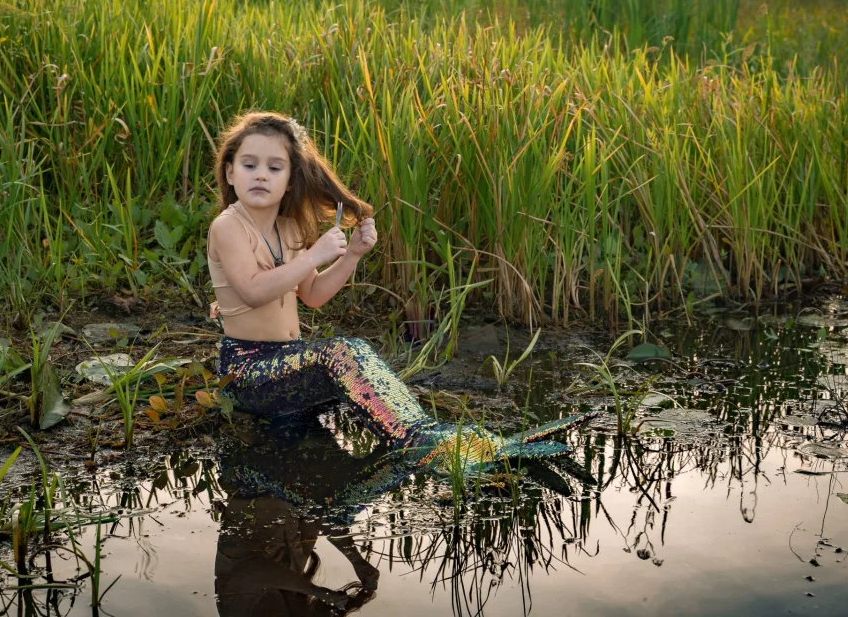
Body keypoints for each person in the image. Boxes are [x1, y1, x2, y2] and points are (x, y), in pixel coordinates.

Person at [206, 110, 585, 472]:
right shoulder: (229, 227)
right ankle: (424, 442)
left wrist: (351, 255)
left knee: (352, 361)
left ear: (290, 180)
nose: (260, 175)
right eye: (249, 165)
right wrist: (315, 255)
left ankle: (425, 437)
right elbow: (254, 292)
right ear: (230, 171)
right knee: (345, 351)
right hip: (248, 371)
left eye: (274, 168)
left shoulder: (289, 228)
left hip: (288, 363)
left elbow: (314, 295)